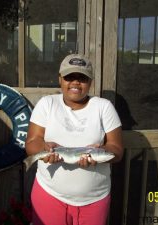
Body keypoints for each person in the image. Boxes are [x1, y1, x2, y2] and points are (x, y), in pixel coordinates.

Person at [26, 54, 123, 225]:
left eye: (82, 78)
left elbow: (117, 150)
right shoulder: (46, 104)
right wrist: (44, 147)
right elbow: (32, 143)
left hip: (95, 199)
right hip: (49, 196)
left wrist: (103, 151)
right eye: (69, 77)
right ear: (60, 79)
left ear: (90, 81)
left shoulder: (104, 107)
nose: (76, 82)